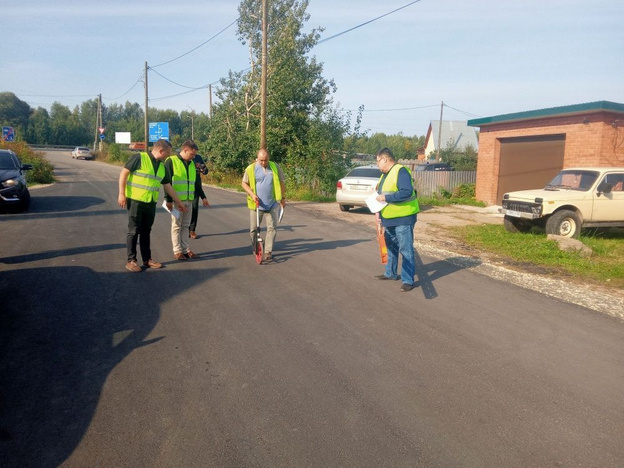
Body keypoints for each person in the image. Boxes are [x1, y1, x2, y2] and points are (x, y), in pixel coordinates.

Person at [118, 139, 188, 272]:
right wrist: (121, 193)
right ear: (161, 151)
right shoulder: (139, 158)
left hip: (150, 203)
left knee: (146, 232)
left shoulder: (161, 166)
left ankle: (147, 259)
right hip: (135, 201)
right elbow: (124, 173)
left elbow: (168, 186)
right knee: (134, 231)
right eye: (168, 153)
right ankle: (131, 260)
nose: (169, 155)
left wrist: (178, 201)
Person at [374, 147, 420, 292]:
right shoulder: (384, 175)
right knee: (391, 248)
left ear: (385, 159)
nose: (377, 165)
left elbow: (406, 192)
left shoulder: (401, 171)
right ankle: (390, 273)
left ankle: (407, 280)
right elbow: (381, 197)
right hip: (389, 218)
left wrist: (386, 197)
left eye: (378, 161)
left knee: (406, 250)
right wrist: (380, 218)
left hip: (403, 218)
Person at [164, 140, 209, 260]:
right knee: (176, 226)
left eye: (194, 155)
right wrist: (168, 200)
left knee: (186, 226)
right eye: (192, 154)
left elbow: (196, 183)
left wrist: (203, 196)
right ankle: (177, 251)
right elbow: (166, 182)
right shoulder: (171, 161)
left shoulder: (192, 164)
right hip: (176, 201)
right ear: (185, 150)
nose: (194, 157)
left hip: (189, 200)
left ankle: (186, 249)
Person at [241, 148, 286, 263]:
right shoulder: (251, 169)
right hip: (256, 205)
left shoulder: (275, 167)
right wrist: (252, 194)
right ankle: (256, 247)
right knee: (253, 229)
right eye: (261, 160)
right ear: (257, 158)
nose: (264, 163)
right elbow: (244, 183)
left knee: (272, 228)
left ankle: (268, 251)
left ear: (268, 158)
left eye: (265, 160)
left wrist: (282, 198)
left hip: (272, 204)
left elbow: (281, 182)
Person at [189, 153, 209, 239]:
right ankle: (183, 230)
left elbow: (205, 171)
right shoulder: (182, 159)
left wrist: (200, 166)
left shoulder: (198, 157)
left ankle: (192, 230)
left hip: (195, 187)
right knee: (183, 210)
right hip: (184, 188)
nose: (193, 154)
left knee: (194, 208)